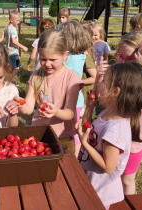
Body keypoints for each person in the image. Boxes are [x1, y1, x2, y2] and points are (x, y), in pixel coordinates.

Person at [76, 62, 142, 209]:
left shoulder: (115, 130)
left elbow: (108, 167)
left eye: (103, 81)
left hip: (99, 191)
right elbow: (89, 129)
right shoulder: (108, 113)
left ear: (115, 92)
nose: (99, 83)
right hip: (89, 181)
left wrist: (85, 144)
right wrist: (89, 109)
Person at [17, 29, 83, 154]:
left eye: (53, 60)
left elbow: (70, 113)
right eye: (43, 59)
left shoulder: (71, 79)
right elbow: (29, 108)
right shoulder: (36, 76)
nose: (47, 64)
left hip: (63, 136)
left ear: (65, 55)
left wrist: (56, 112)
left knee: (64, 168)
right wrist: (19, 104)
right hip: (39, 134)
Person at [113, 30, 142, 194]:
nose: (125, 64)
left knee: (127, 180)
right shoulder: (117, 75)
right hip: (113, 136)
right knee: (112, 176)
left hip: (134, 140)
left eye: (131, 60)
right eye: (122, 58)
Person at [59, 20, 91, 156]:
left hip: (68, 98)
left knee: (71, 131)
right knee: (75, 131)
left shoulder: (67, 58)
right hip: (78, 99)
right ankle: (75, 157)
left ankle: (73, 158)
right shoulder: (82, 55)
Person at [0, 10, 28, 85]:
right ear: (11, 20)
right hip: (14, 53)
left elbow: (2, 38)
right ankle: (8, 81)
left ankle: (12, 81)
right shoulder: (13, 29)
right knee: (17, 69)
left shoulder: (6, 28)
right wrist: (23, 47)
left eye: (19, 20)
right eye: (17, 20)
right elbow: (14, 41)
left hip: (9, 52)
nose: (19, 22)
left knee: (12, 68)